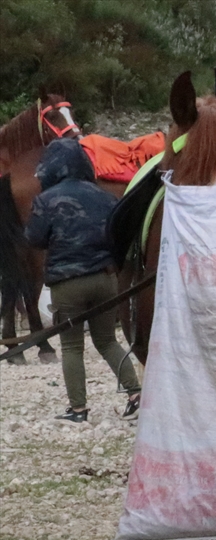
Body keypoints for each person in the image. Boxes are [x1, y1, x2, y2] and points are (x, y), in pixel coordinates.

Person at [25, 138, 140, 423]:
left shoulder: (46, 199)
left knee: (72, 346)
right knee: (107, 341)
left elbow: (34, 239)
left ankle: (78, 409)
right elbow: (120, 236)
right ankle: (136, 395)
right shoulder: (105, 196)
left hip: (68, 283)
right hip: (105, 280)